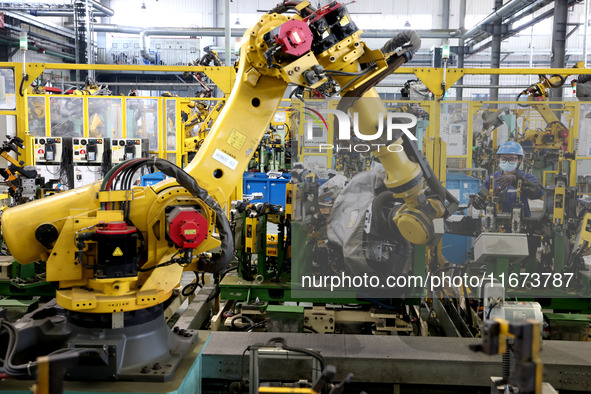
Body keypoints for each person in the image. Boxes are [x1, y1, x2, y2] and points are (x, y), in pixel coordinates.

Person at [472, 141, 543, 217]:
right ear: (499, 159)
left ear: (519, 160)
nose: (507, 162)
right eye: (503, 158)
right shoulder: (492, 179)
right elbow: (484, 198)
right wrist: (477, 202)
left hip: (522, 222)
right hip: (496, 223)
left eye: (511, 159)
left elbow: (538, 193)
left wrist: (516, 180)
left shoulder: (527, 177)